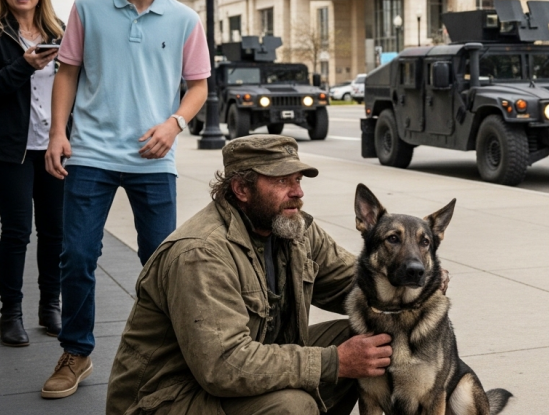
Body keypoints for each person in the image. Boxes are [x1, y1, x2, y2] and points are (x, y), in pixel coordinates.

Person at [41, 0, 210, 399]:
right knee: (76, 255)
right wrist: (58, 132)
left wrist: (174, 124)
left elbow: (197, 86)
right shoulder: (87, 9)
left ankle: (164, 356)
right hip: (91, 152)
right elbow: (67, 73)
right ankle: (76, 351)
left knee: (160, 262)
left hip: (154, 158)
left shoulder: (183, 19)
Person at [105, 135, 392, 415]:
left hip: (239, 376)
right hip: (169, 397)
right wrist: (334, 362)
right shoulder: (201, 253)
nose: (298, 192)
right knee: (293, 406)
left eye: (298, 180)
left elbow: (359, 283)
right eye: (282, 181)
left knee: (374, 339)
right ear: (241, 189)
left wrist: (416, 281)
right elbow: (224, 365)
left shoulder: (292, 228)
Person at [0, 0, 66, 346]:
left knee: (54, 231)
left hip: (53, 146)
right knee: (17, 231)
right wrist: (23, 65)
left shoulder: (60, 31)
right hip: (10, 151)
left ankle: (50, 306)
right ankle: (11, 313)